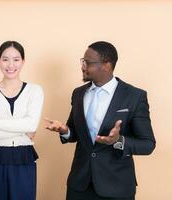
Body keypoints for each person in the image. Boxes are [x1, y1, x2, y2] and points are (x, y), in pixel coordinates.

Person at [45, 41, 156, 200]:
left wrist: (118, 141)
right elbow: (75, 133)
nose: (82, 66)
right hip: (79, 185)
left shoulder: (134, 96)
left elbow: (148, 144)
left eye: (88, 63)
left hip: (116, 186)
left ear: (107, 65)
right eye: (82, 61)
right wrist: (65, 131)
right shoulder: (78, 93)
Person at [0, 41, 44, 200]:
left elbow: (32, 124)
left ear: (23, 62)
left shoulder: (35, 91)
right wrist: (22, 131)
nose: (10, 65)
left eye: (16, 59)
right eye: (5, 59)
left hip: (23, 157)